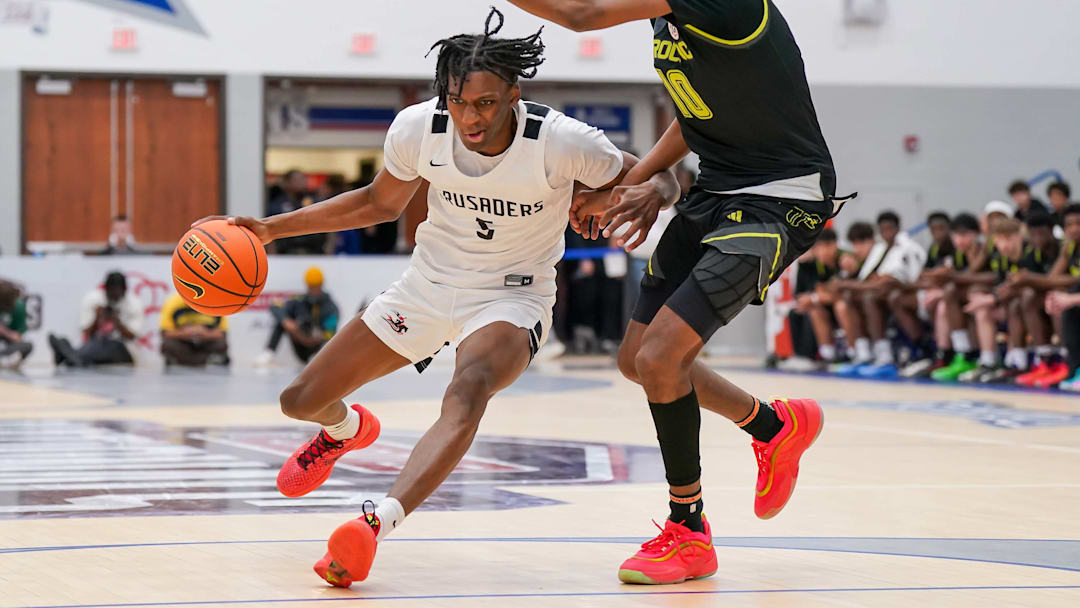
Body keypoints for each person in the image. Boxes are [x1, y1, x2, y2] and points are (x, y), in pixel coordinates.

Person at [191, 8, 678, 587]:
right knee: (298, 399)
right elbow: (377, 204)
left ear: (513, 94)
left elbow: (665, 175)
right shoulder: (420, 128)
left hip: (511, 296)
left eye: (486, 104)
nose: (471, 118)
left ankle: (374, 525)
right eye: (459, 102)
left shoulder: (562, 141)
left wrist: (655, 190)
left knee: (467, 390)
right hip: (426, 286)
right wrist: (271, 229)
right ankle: (348, 430)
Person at [509, 0, 846, 585]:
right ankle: (773, 427)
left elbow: (582, 14)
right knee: (636, 358)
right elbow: (696, 114)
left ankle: (688, 530)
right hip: (717, 188)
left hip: (780, 197)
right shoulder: (666, 17)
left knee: (662, 356)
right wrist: (634, 183)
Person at [832, 212, 926, 378]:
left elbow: (891, 280)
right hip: (881, 293)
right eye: (882, 229)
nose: (886, 232)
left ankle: (885, 357)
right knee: (850, 297)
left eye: (889, 228)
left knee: (869, 297)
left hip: (906, 293)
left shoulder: (907, 247)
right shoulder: (880, 249)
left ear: (897, 228)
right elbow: (869, 278)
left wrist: (853, 284)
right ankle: (863, 354)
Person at [1007, 205, 1080, 386]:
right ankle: (1047, 361)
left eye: (1078, 224)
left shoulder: (1059, 246)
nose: (1073, 228)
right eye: (1069, 225)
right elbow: (1051, 279)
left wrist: (1030, 278)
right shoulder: (1069, 248)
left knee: (1064, 299)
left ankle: (1069, 363)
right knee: (1039, 297)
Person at [960, 218, 1028, 382]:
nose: (1002, 244)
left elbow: (1023, 285)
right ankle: (987, 361)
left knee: (1014, 304)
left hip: (1034, 308)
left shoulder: (1028, 253)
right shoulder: (1001, 257)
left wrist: (991, 299)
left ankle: (1017, 363)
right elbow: (1003, 285)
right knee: (982, 309)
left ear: (1019, 237)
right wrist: (988, 299)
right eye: (998, 239)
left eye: (1007, 239)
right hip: (1012, 305)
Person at [893, 212, 955, 377]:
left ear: (949, 229)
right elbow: (924, 276)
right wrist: (933, 278)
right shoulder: (934, 248)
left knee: (939, 304)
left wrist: (935, 278)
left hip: (949, 294)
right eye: (934, 229)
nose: (938, 232)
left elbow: (949, 276)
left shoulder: (955, 248)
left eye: (942, 228)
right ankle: (923, 347)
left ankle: (945, 353)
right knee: (897, 300)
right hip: (932, 291)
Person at [927, 213, 986, 381]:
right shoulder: (958, 254)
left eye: (965, 235)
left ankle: (977, 357)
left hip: (991, 299)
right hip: (969, 300)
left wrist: (951, 276)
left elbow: (990, 277)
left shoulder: (983, 249)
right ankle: (957, 353)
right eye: (956, 235)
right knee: (945, 301)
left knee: (955, 296)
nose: (960, 240)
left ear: (976, 234)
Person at [49, 271, 143, 367]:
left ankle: (68, 353)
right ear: (105, 289)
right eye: (111, 291)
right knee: (95, 345)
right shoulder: (94, 300)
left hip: (123, 349)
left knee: (106, 346)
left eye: (117, 292)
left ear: (124, 290)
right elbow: (87, 334)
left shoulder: (134, 303)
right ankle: (71, 355)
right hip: (96, 344)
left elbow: (132, 336)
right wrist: (97, 318)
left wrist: (116, 322)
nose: (114, 294)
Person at [256, 266, 340, 365]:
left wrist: (314, 337)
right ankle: (268, 353)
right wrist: (286, 321)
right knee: (282, 320)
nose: (313, 290)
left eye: (316, 286)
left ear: (321, 285)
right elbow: (275, 306)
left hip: (317, 348)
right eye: (310, 287)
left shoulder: (331, 308)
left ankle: (318, 358)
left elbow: (330, 333)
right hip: (300, 345)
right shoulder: (299, 300)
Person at [789, 228, 841, 367]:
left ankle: (813, 355)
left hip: (835, 306)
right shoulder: (809, 264)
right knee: (796, 312)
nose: (823, 251)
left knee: (814, 311)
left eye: (826, 246)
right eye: (818, 247)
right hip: (821, 304)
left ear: (835, 245)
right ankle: (800, 355)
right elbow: (799, 292)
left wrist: (813, 298)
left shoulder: (842, 261)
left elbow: (837, 292)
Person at [159, 293, 230, 367]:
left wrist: (204, 333)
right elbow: (165, 332)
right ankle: (209, 360)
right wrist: (185, 333)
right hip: (184, 341)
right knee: (169, 344)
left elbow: (222, 333)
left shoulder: (216, 303)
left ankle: (181, 360)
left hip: (205, 341)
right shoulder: (173, 302)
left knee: (220, 343)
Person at [0, 280, 33, 368]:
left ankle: (10, 362)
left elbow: (17, 337)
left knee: (28, 345)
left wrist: (3, 331)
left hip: (7, 344)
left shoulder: (18, 307)